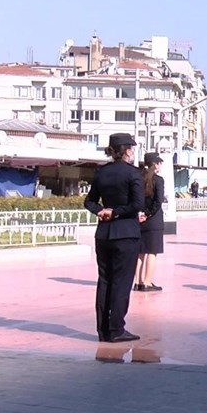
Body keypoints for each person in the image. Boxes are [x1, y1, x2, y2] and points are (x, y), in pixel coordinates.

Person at [84, 132, 144, 343]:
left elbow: (89, 201)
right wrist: (116, 212)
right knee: (121, 281)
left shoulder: (101, 172)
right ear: (127, 150)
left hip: (104, 234)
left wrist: (102, 210)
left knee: (105, 281)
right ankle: (117, 328)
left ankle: (103, 329)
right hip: (126, 234)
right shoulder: (133, 173)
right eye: (132, 149)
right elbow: (138, 205)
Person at [134, 152, 165, 292]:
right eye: (159, 163)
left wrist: (140, 213)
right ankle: (147, 282)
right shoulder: (158, 180)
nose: (160, 165)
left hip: (139, 219)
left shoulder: (138, 178)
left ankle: (137, 282)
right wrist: (148, 214)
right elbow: (158, 202)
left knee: (140, 252)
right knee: (152, 252)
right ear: (155, 165)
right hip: (153, 220)